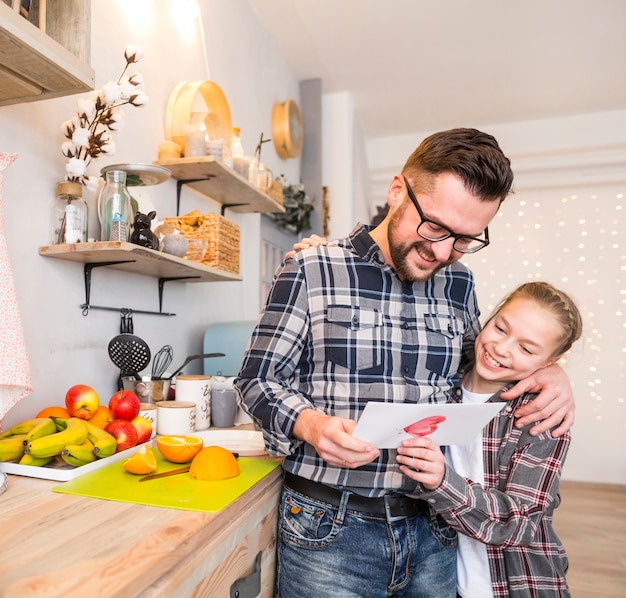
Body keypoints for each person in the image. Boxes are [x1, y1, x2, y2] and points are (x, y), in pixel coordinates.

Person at [235, 128, 575, 598]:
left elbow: (481, 369)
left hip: (436, 531)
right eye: (435, 227)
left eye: (463, 239)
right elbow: (256, 381)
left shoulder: (458, 284)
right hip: (328, 529)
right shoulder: (312, 269)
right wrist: (311, 425)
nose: (442, 252)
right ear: (398, 191)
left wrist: (550, 371)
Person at [397, 281, 582, 597]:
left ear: (551, 362)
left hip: (514, 584)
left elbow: (522, 522)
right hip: (440, 577)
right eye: (500, 328)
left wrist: (443, 481)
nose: (501, 348)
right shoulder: (441, 382)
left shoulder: (540, 418)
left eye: (526, 348)